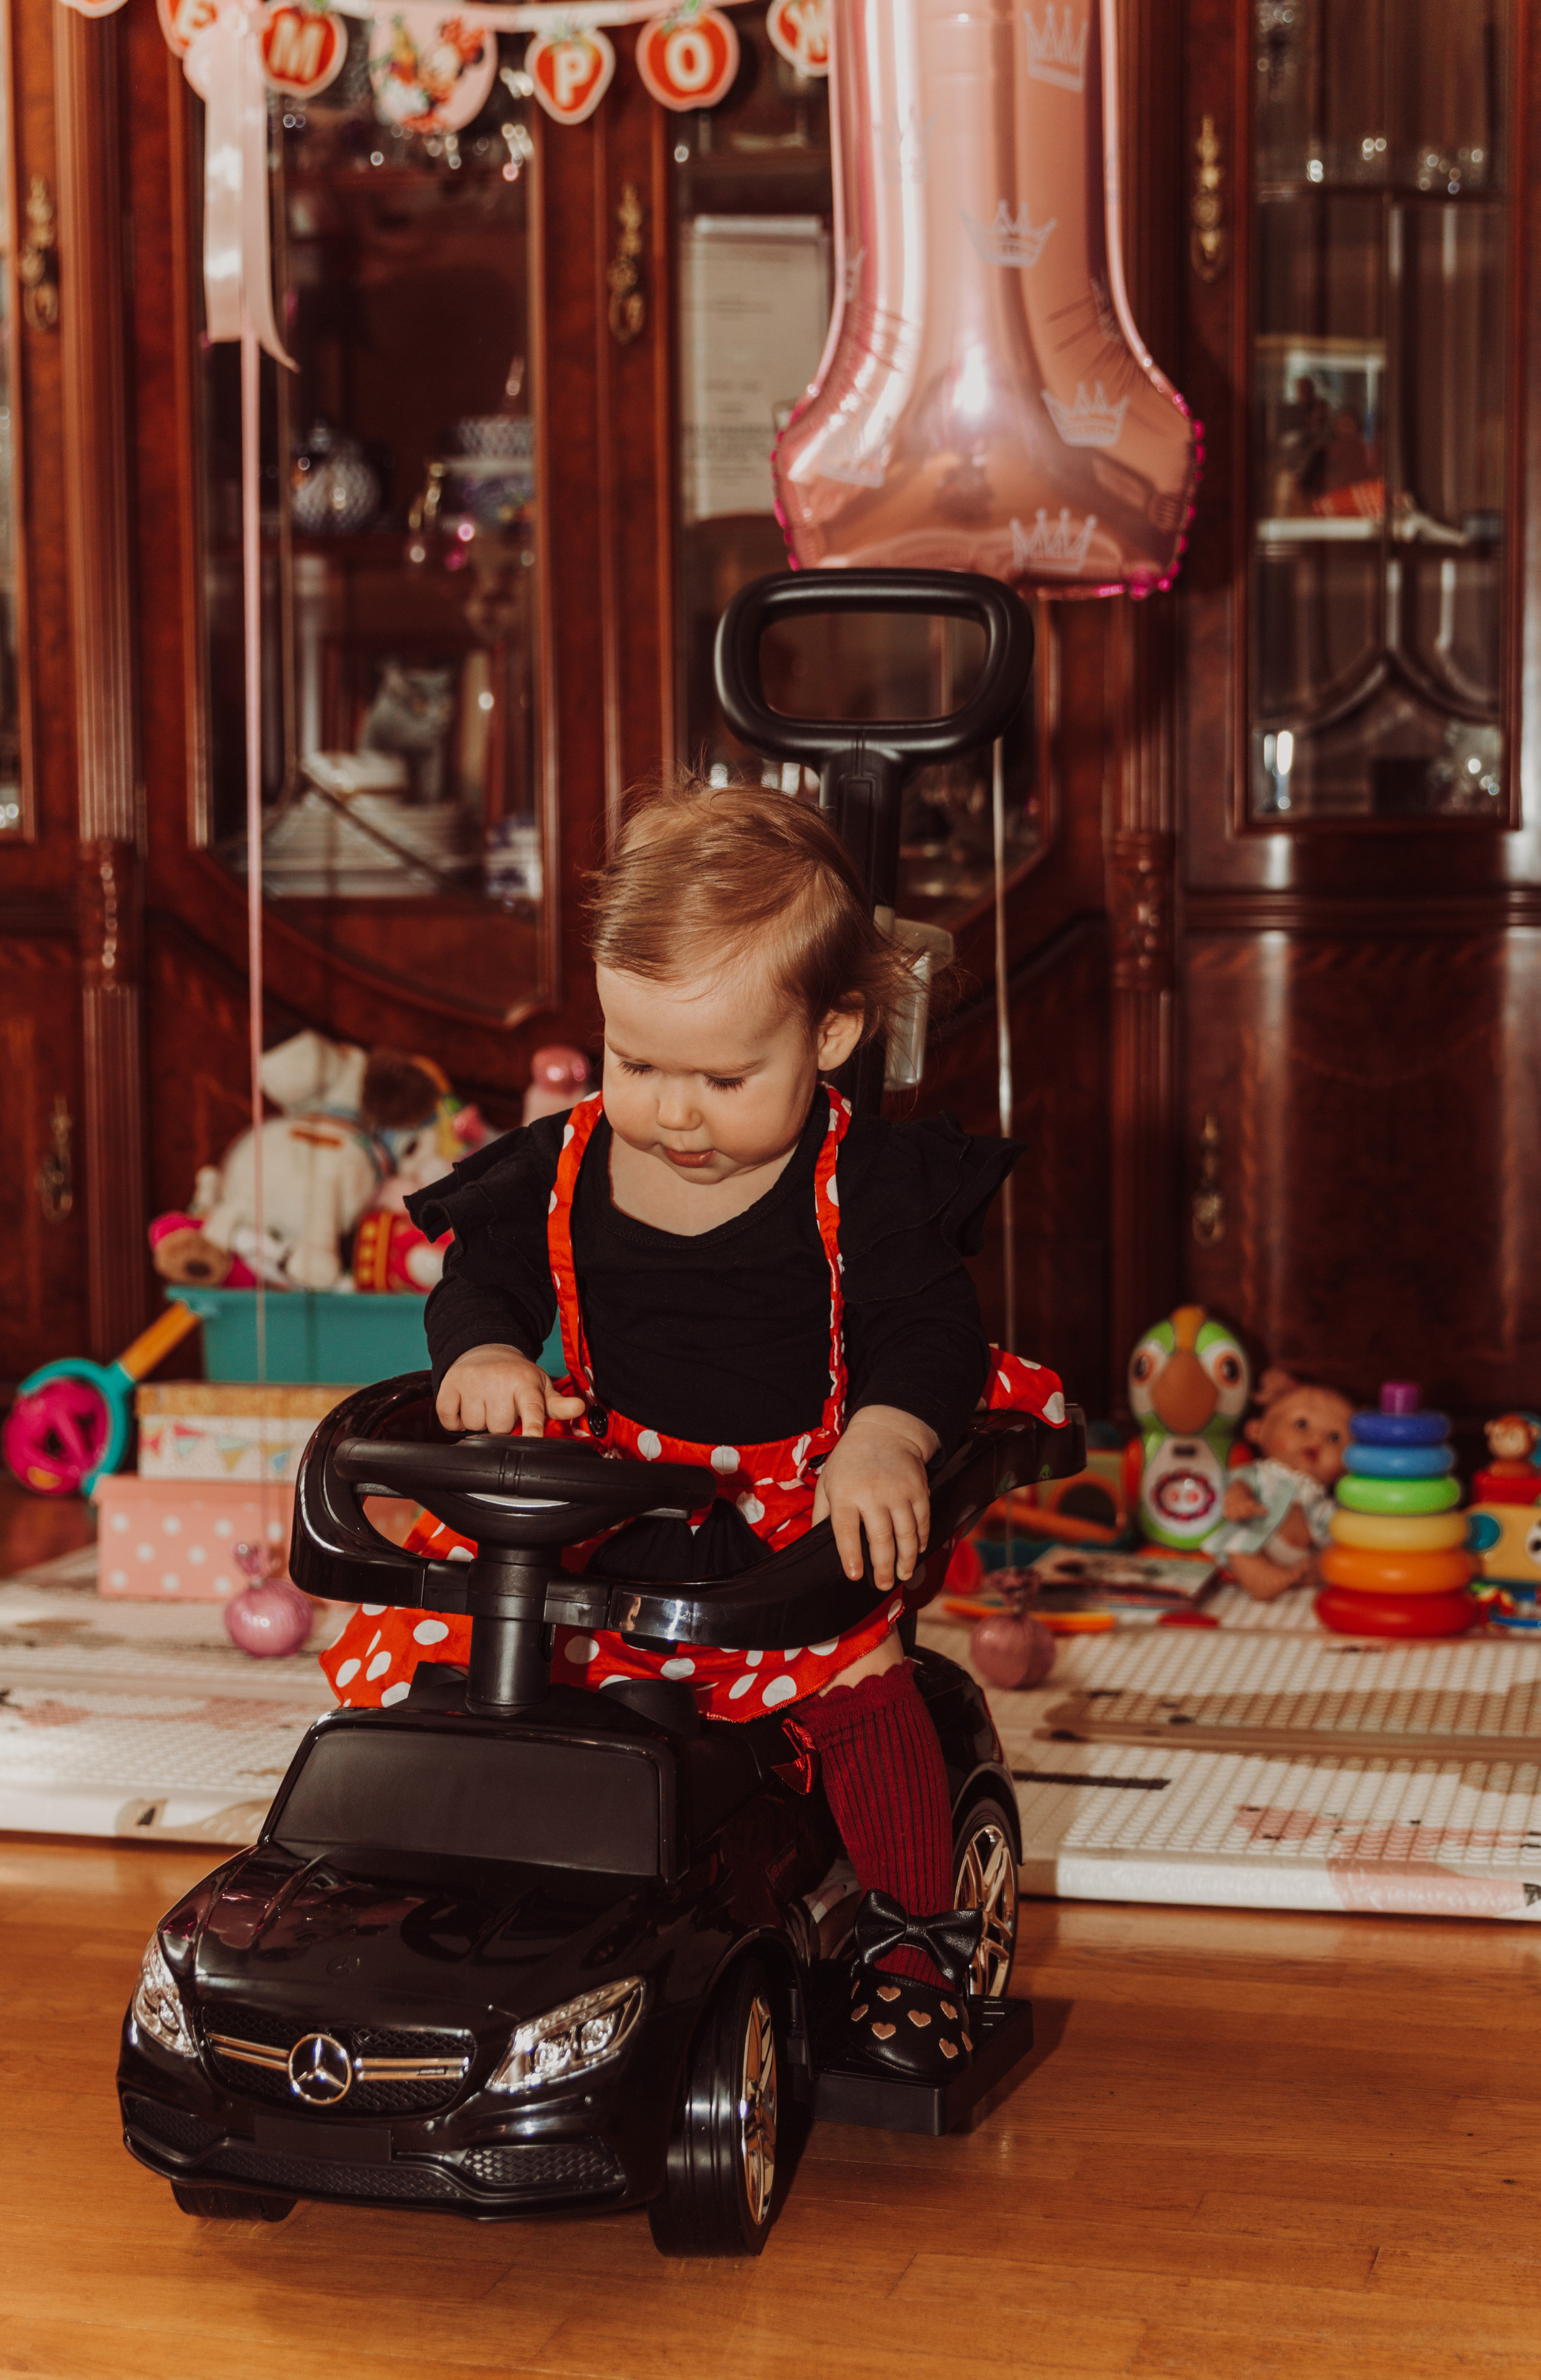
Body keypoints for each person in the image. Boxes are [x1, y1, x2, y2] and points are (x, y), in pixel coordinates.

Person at [320, 777, 1067, 2074]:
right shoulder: (564, 1165)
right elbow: (483, 1277)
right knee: (449, 1642)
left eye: (724, 1076)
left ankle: (911, 1941)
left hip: (789, 1506)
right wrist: (485, 1353)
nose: (674, 1112)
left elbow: (926, 1332)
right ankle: (424, 1883)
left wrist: (886, 1437)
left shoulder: (861, 1183)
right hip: (611, 1491)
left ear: (831, 1034)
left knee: (856, 1672)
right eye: (638, 1063)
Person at [1206, 1368, 1353, 1601]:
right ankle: (1260, 1578)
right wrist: (1238, 1500)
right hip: (1259, 1543)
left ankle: (1302, 1575)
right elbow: (1239, 1484)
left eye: (1335, 1438)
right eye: (1302, 1425)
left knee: (1332, 1558)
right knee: (1237, 1548)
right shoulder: (1264, 1474)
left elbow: (1334, 1522)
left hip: (1304, 1553)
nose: (1316, 1440)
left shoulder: (1318, 1496)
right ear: (1258, 1430)